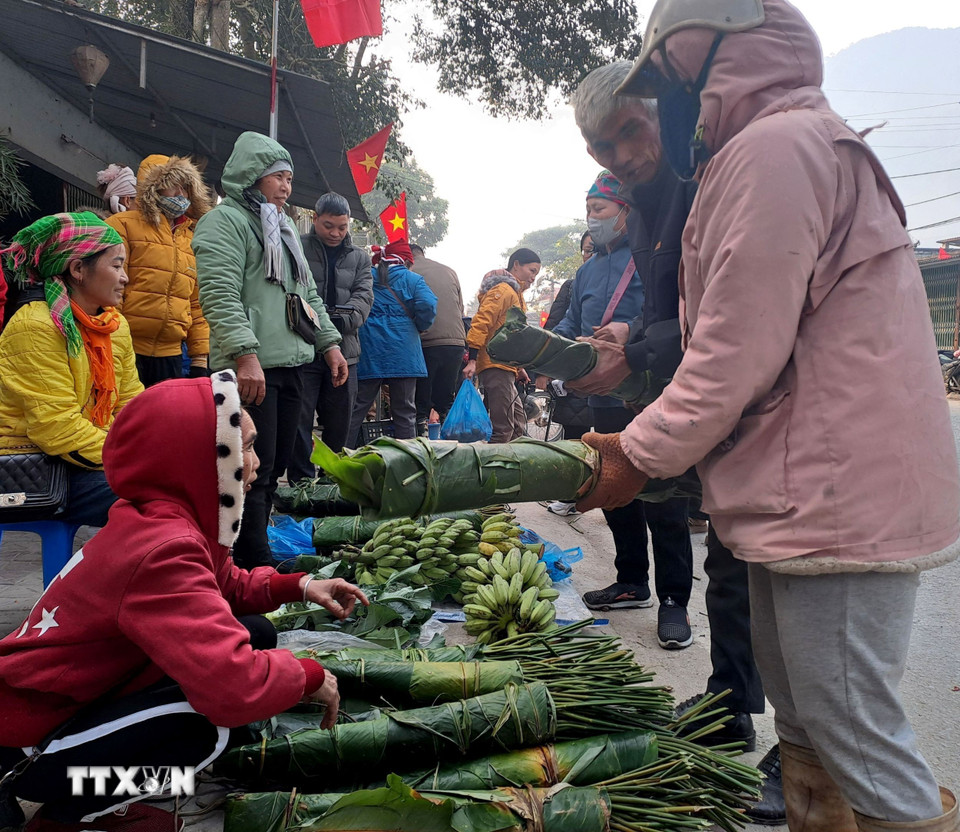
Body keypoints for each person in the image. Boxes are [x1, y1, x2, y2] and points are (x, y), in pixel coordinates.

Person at [574, 1, 960, 829]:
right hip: (800, 485)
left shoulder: (778, 147)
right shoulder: (754, 149)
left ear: (721, 54)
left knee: (856, 729)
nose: (671, 104)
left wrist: (634, 451)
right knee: (809, 728)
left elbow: (734, 348)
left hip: (836, 487)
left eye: (674, 80)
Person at [0, 371, 367, 831]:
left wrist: (297, 586)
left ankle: (91, 785)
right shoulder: (162, 550)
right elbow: (233, 689)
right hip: (35, 740)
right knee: (209, 725)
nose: (256, 463)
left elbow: (223, 584)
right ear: (198, 460)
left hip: (75, 699)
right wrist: (308, 675)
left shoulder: (163, 516)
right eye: (244, 447)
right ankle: (71, 811)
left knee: (256, 633)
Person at [571, 57, 782, 824]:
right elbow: (674, 304)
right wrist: (633, 331)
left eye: (631, 130)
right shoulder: (649, 199)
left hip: (774, 405)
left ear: (668, 109)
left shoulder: (721, 173)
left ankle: (810, 747)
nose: (622, 153)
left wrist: (645, 355)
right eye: (604, 145)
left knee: (788, 582)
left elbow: (729, 318)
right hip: (718, 409)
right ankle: (731, 702)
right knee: (730, 561)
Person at [193, 131, 347, 569]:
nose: (285, 186)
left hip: (292, 363)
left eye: (289, 179)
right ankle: (246, 563)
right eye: (277, 176)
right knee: (246, 471)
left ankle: (253, 557)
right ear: (250, 177)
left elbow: (308, 296)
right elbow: (219, 295)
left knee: (274, 467)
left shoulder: (282, 229)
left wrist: (330, 345)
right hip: (251, 369)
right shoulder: (225, 223)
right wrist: (245, 354)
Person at [554, 172, 693, 651]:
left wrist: (628, 330)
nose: (594, 217)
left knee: (663, 493)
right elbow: (572, 322)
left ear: (626, 211)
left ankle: (675, 599)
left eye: (602, 208)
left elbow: (673, 315)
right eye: (589, 207)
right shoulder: (587, 270)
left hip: (651, 392)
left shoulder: (651, 258)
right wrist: (554, 350)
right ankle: (632, 580)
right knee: (615, 488)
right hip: (603, 397)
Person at [0, 212, 143, 528]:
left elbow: (133, 406)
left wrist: (148, 448)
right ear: (78, 269)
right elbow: (56, 429)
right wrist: (132, 459)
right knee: (159, 494)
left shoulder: (114, 327)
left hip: (88, 458)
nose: (125, 278)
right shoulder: (35, 327)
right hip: (36, 468)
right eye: (116, 266)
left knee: (187, 474)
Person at [106, 155, 212, 387]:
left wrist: (200, 359)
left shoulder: (191, 238)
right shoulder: (122, 224)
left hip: (172, 355)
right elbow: (112, 289)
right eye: (174, 186)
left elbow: (196, 302)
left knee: (165, 422)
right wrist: (114, 343)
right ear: (153, 187)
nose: (181, 194)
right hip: (126, 349)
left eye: (186, 187)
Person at [288, 192, 373, 479]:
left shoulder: (361, 258)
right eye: (328, 226)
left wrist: (338, 322)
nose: (335, 233)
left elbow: (364, 299)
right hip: (304, 349)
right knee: (299, 418)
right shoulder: (297, 247)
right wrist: (314, 325)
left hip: (346, 351)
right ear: (315, 219)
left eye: (342, 227)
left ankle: (334, 480)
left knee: (340, 422)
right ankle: (301, 480)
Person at [346, 240, 437, 447]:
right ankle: (405, 463)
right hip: (403, 351)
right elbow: (428, 304)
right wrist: (420, 324)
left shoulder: (366, 276)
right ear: (406, 261)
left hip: (370, 348)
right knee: (405, 410)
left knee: (357, 408)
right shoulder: (413, 280)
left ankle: (340, 458)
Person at [463, 248, 541, 443]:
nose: (533, 278)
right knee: (503, 429)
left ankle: (515, 467)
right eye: (532, 271)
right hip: (494, 364)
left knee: (518, 425)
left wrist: (519, 368)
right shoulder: (503, 290)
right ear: (516, 265)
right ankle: (495, 469)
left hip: (506, 366)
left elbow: (513, 335)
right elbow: (482, 322)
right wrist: (472, 359)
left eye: (536, 274)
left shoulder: (516, 294)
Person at [411, 243, 467, 433]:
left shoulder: (408, 270)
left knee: (421, 401)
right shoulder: (449, 271)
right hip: (456, 342)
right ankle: (450, 437)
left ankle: (421, 436)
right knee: (445, 400)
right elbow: (460, 309)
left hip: (427, 343)